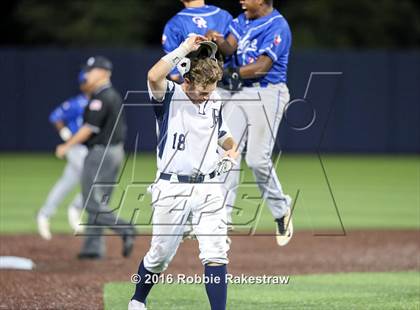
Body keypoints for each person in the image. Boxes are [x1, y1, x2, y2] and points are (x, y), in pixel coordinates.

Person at [128, 36, 238, 310]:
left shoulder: (214, 102)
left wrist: (231, 153)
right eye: (202, 91)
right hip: (172, 187)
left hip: (210, 188)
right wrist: (184, 49)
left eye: (211, 91)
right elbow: (154, 75)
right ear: (187, 81)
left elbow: (225, 139)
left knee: (217, 253)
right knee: (160, 256)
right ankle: (138, 300)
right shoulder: (170, 95)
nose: (206, 96)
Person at [205, 0, 294, 246]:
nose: (242, 0)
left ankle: (281, 209)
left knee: (256, 159)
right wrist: (217, 40)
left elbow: (262, 67)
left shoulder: (278, 26)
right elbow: (229, 49)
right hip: (240, 92)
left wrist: (226, 74)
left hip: (268, 92)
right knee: (228, 152)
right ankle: (221, 220)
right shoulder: (242, 19)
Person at [56, 56, 135, 259]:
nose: (87, 74)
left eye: (90, 70)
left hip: (101, 152)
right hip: (115, 151)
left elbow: (89, 128)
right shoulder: (111, 95)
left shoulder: (101, 97)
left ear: (102, 73)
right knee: (101, 201)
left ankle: (125, 228)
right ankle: (93, 247)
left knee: (91, 202)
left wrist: (67, 145)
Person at [37, 71, 89, 240]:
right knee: (93, 178)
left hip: (89, 148)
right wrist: (66, 134)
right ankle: (75, 208)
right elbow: (55, 116)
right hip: (75, 148)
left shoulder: (99, 101)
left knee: (66, 183)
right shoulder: (77, 102)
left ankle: (44, 215)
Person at [162, 0, 232, 81]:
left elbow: (175, 74)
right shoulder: (224, 16)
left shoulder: (174, 24)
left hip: (194, 86)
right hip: (226, 84)